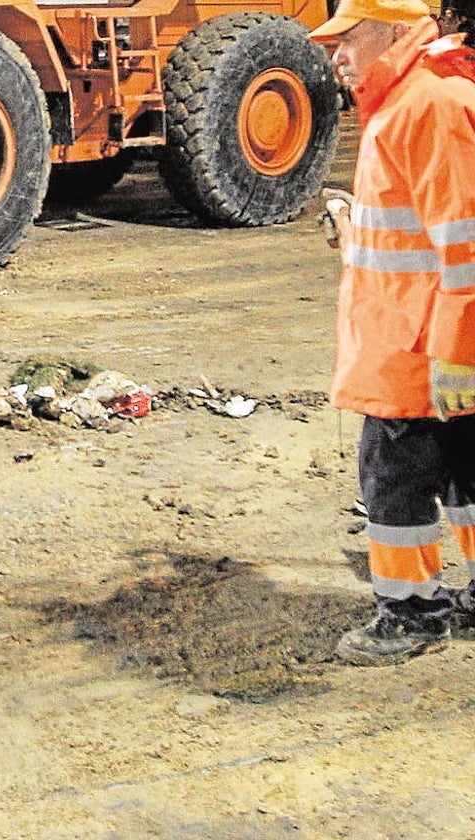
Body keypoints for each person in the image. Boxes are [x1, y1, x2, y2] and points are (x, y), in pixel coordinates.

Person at [313, 0, 475, 666]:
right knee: (466, 473)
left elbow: (465, 241)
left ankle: (411, 615)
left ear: (392, 31)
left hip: (420, 353)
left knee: (393, 479)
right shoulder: (413, 99)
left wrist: (456, 354)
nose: (336, 55)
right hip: (425, 344)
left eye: (348, 39)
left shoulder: (426, 104)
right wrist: (354, 228)